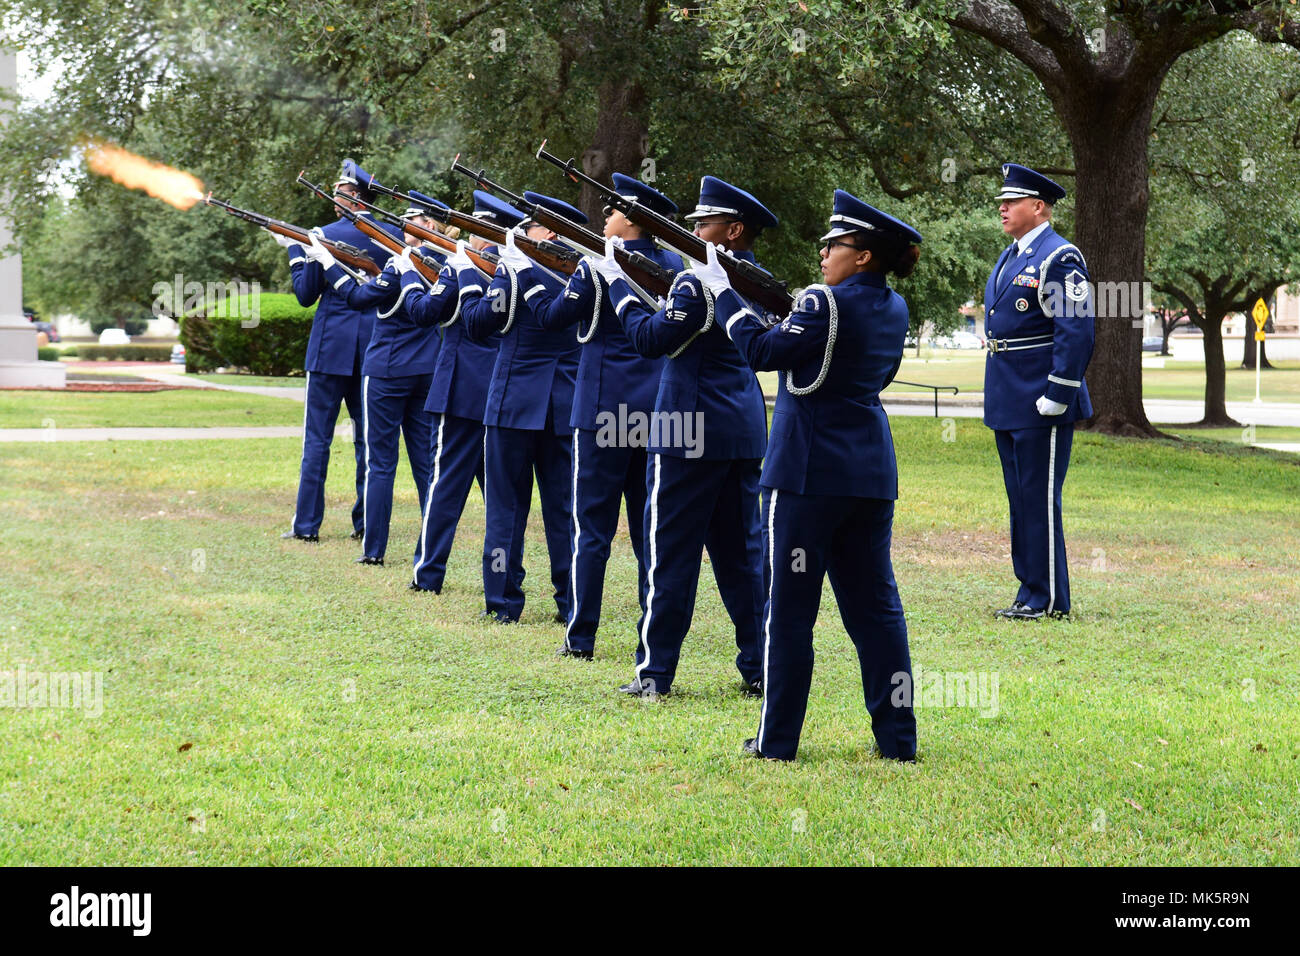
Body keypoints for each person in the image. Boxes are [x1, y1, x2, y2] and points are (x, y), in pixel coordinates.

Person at [711, 189, 921, 762]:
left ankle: (776, 741)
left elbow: (759, 351)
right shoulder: (894, 308)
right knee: (876, 610)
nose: (823, 252)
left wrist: (723, 294)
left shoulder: (820, 304)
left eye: (836, 244)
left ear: (865, 257)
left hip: (806, 476)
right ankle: (898, 739)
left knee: (788, 609)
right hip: (869, 472)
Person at [591, 175, 772, 698]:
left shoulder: (698, 284)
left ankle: (654, 672)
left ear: (733, 230)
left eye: (704, 223)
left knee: (669, 552)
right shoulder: (757, 279)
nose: (691, 231)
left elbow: (650, 340)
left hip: (684, 430)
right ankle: (758, 666)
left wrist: (617, 285)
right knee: (742, 556)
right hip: (739, 429)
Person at [512, 174, 683, 661]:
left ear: (630, 219)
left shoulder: (598, 264)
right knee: (652, 529)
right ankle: (647, 641)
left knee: (592, 529)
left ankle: (581, 635)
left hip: (603, 407)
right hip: (658, 410)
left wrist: (523, 270)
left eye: (611, 211)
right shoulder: (676, 265)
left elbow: (552, 318)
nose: (604, 218)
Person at [455, 192, 582, 624]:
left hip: (514, 401)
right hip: (564, 401)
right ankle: (570, 602)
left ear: (546, 232)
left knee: (505, 507)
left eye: (528, 226)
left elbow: (477, 324)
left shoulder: (515, 272)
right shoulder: (583, 274)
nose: (522, 233)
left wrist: (473, 278)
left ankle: (503, 601)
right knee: (563, 509)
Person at [301, 199, 446, 565]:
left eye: (411, 219)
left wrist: (327, 262)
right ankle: (428, 552)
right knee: (426, 465)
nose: (404, 224)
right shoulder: (448, 265)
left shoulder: (400, 264)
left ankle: (374, 550)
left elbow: (356, 297)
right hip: (427, 368)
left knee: (381, 463)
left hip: (386, 370)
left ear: (429, 223)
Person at [983, 163, 1094, 621]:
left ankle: (1047, 599)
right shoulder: (1013, 254)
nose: (1003, 208)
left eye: (1012, 202)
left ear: (1039, 207)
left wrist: (1060, 390)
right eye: (1001, 202)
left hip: (1040, 396)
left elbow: (1077, 329)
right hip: (1009, 394)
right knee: (1020, 498)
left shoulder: (1059, 256)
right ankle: (1029, 589)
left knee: (1039, 498)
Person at [273, 159, 402, 542]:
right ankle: (365, 525)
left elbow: (305, 294)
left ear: (357, 199)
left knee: (317, 441)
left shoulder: (322, 234)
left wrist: (302, 251)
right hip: (373, 349)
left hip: (330, 348)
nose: (333, 201)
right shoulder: (391, 238)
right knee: (369, 442)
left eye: (340, 194)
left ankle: (307, 526)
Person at [403, 195, 504, 594]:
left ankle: (427, 574)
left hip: (461, 387)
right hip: (501, 390)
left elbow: (425, 312)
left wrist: (409, 274)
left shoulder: (463, 267)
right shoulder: (515, 268)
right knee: (499, 494)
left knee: (444, 484)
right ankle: (503, 580)